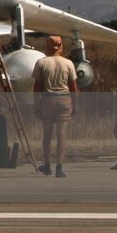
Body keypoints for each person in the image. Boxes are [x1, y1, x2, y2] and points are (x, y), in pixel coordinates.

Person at [32, 35, 78, 178]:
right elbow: (73, 87)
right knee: (61, 135)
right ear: (61, 46)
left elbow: (37, 86)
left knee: (47, 135)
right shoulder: (68, 63)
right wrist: (74, 104)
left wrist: (36, 104)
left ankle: (47, 164)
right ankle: (59, 167)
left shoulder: (41, 63)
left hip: (48, 100)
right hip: (64, 100)